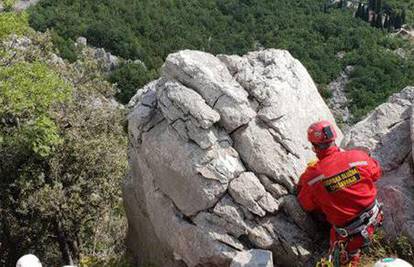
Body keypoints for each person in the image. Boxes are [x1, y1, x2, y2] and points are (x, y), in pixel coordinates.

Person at [297, 120, 383, 267]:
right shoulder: (358, 157)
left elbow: (307, 204)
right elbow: (376, 173)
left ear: (313, 147)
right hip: (375, 219)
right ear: (334, 139)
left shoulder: (312, 177)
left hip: (349, 235)